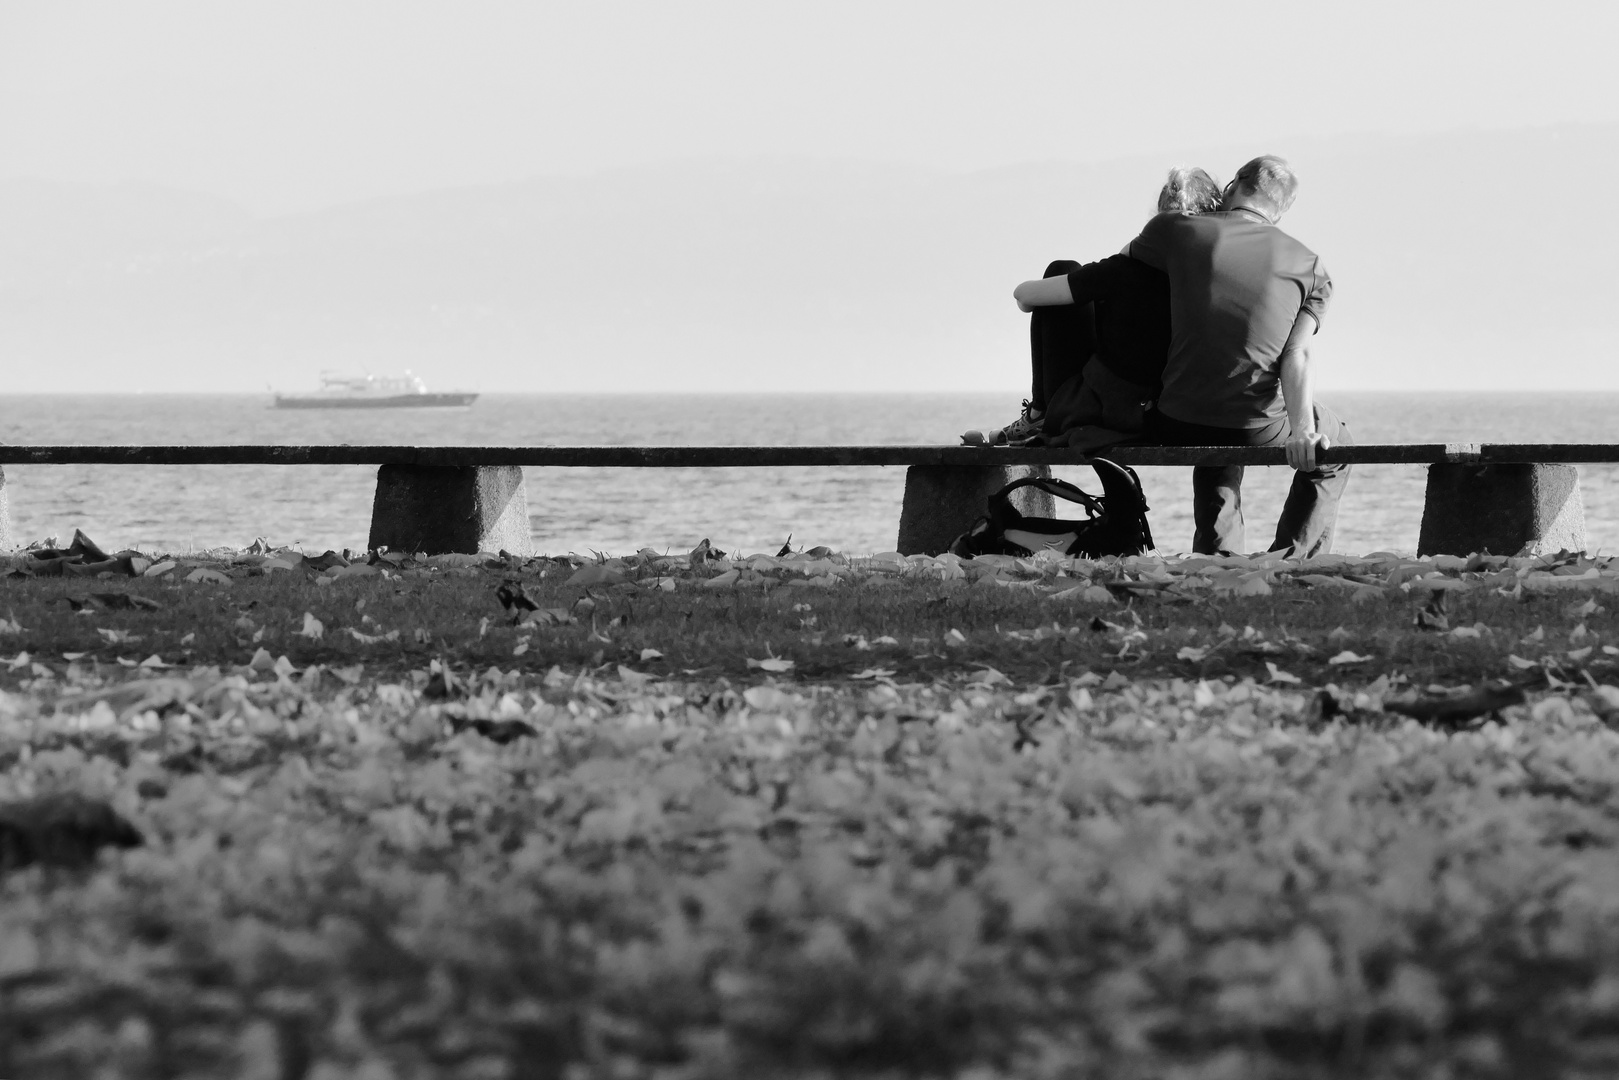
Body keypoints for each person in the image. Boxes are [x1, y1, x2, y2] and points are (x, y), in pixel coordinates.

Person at [1128, 154, 1350, 557]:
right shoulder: (1309, 265)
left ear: (1233, 186)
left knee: (1215, 422)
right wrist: (1303, 431)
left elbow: (1118, 269)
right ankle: (1293, 558)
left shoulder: (1176, 230)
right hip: (1254, 426)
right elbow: (1295, 355)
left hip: (1176, 420)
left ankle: (1219, 559)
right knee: (1337, 438)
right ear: (1281, 211)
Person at [966, 166, 1223, 447]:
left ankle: (1040, 412)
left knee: (1062, 270)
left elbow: (1024, 295)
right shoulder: (1217, 279)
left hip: (1108, 412)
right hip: (1174, 412)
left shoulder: (1126, 269)